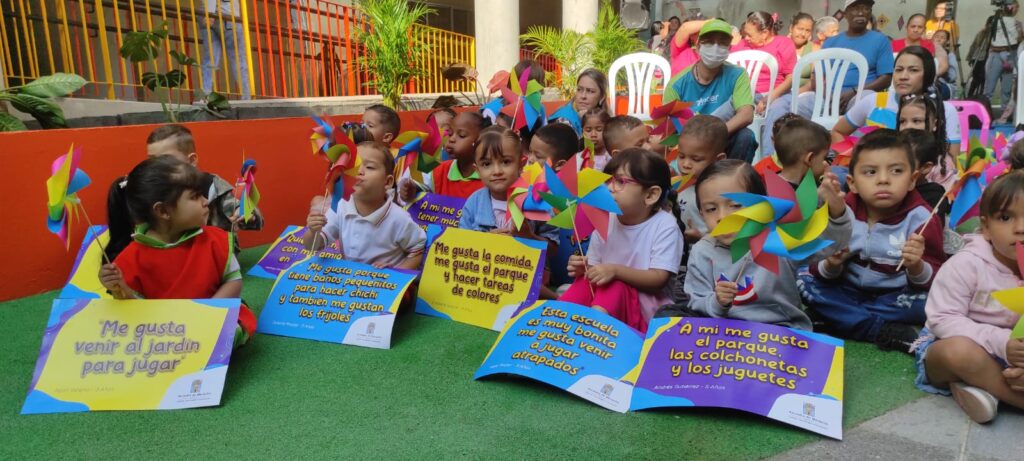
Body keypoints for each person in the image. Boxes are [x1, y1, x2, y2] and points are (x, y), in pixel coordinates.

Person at [800, 129, 946, 351]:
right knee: (801, 278)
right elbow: (817, 265)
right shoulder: (841, 211)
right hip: (845, 288)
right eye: (870, 172)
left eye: (897, 171)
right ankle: (880, 330)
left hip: (894, 297)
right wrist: (832, 264)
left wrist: (917, 266)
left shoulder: (922, 220)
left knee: (930, 302)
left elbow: (935, 277)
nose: (884, 180)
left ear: (912, 180)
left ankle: (839, 319)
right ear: (853, 182)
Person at [99, 156, 256, 347]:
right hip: (161, 330)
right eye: (195, 196)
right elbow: (134, 309)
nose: (206, 201)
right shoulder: (131, 257)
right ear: (163, 211)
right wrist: (119, 288)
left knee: (233, 329)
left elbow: (233, 281)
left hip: (211, 316)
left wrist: (208, 312)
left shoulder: (215, 239)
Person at [673, 159, 849, 329]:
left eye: (735, 205)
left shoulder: (778, 240)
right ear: (701, 214)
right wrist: (717, 302)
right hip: (723, 333)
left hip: (781, 329)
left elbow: (832, 244)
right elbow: (695, 301)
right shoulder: (701, 251)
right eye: (711, 209)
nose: (722, 217)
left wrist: (837, 212)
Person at [914, 170, 1024, 424]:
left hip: (1015, 353)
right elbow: (942, 319)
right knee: (959, 353)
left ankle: (983, 389)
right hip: (957, 344)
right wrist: (1000, 342)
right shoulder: (967, 264)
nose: (1020, 229)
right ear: (985, 227)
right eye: (1006, 217)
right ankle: (1013, 395)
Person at [559, 149, 685, 333]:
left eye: (620, 181)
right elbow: (597, 270)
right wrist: (584, 269)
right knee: (586, 283)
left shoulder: (665, 226)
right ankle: (554, 324)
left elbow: (659, 278)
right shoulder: (604, 217)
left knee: (615, 285)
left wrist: (615, 271)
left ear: (650, 195)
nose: (609, 187)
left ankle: (589, 336)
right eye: (608, 180)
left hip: (644, 315)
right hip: (605, 304)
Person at [111, 124, 264, 259]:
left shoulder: (214, 187)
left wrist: (245, 214)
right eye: (152, 159)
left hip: (216, 257)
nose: (158, 166)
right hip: (171, 257)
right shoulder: (152, 189)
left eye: (166, 159)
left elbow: (254, 218)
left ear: (191, 160)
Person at [832, 46, 961, 182]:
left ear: (928, 75)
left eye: (913, 70)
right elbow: (837, 131)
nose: (903, 76)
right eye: (899, 70)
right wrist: (857, 163)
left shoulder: (944, 110)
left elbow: (951, 163)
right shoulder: (874, 101)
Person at [304, 141, 426, 269]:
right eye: (354, 166)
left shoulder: (399, 218)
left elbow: (418, 249)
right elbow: (312, 246)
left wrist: (396, 273)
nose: (359, 171)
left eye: (370, 167)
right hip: (349, 283)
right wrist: (313, 231)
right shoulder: (340, 206)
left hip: (383, 285)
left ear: (388, 182)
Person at [664, 19, 758, 163]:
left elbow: (746, 114)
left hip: (723, 136)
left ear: (729, 47)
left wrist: (714, 134)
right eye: (709, 42)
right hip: (690, 144)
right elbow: (667, 127)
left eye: (722, 42)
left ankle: (735, 181)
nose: (715, 47)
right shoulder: (677, 84)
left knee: (746, 136)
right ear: (698, 45)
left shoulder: (737, 75)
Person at [820, 0, 894, 110]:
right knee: (803, 102)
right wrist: (829, 97)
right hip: (828, 97)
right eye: (855, 8)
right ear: (845, 14)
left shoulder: (881, 40)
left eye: (865, 8)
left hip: (861, 97)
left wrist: (855, 92)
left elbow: (886, 79)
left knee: (865, 99)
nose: (861, 13)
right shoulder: (830, 42)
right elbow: (817, 76)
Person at [399, 111, 489, 201]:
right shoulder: (437, 171)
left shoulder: (490, 175)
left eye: (461, 135)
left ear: (481, 141)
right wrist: (412, 190)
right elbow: (420, 187)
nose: (451, 139)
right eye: (450, 134)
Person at [731, 11, 798, 118]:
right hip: (746, 95)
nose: (746, 38)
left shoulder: (784, 43)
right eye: (745, 34)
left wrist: (770, 97)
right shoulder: (743, 44)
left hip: (778, 94)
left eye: (749, 35)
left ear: (764, 33)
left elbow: (791, 78)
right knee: (725, 108)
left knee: (777, 110)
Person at [199, 0, 250, 101]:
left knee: (210, 58)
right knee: (238, 59)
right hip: (227, 14)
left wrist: (209, 11)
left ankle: (205, 95)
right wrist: (210, 12)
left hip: (204, 14)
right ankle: (246, 97)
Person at [983, 1, 1023, 109]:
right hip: (996, 53)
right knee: (989, 87)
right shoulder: (994, 20)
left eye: (1014, 7)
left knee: (1007, 87)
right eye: (1011, 6)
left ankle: (1005, 113)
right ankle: (984, 112)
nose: (1012, 9)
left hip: (1011, 53)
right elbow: (986, 34)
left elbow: (1019, 39)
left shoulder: (1018, 23)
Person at [548, 69, 608, 135]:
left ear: (602, 97)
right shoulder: (563, 121)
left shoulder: (604, 117)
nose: (583, 96)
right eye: (579, 89)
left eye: (590, 91)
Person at [932, 30, 960, 99]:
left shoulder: (949, 55)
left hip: (946, 85)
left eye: (942, 37)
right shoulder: (928, 53)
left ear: (947, 41)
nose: (938, 39)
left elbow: (952, 76)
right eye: (937, 36)